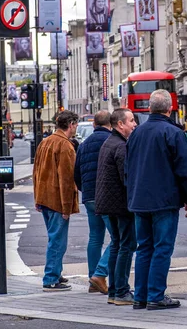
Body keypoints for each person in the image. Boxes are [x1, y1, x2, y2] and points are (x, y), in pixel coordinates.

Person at [126, 89, 187, 310]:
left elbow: (128, 168)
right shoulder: (173, 133)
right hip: (164, 200)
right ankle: (156, 296)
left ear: (149, 108)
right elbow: (185, 169)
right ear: (169, 108)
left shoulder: (136, 133)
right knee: (162, 248)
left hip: (139, 200)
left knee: (144, 247)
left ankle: (141, 296)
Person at [33, 110, 79, 292]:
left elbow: (36, 172)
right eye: (75, 124)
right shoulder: (65, 146)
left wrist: (37, 198)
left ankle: (56, 273)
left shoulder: (45, 142)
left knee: (55, 238)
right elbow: (67, 179)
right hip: (57, 201)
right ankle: (51, 277)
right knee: (58, 241)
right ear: (71, 125)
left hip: (44, 198)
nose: (75, 128)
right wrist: (67, 207)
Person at [95, 109, 137, 305]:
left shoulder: (108, 143)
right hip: (121, 205)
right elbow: (126, 179)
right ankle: (121, 290)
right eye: (131, 121)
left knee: (117, 245)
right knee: (126, 246)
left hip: (108, 203)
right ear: (120, 124)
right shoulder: (121, 146)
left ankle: (113, 291)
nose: (134, 124)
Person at [74, 110, 112, 295]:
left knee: (95, 237)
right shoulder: (113, 141)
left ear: (94, 125)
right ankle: (99, 273)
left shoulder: (84, 144)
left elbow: (76, 172)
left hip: (89, 196)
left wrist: (85, 190)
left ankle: (92, 280)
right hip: (107, 196)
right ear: (110, 124)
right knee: (120, 239)